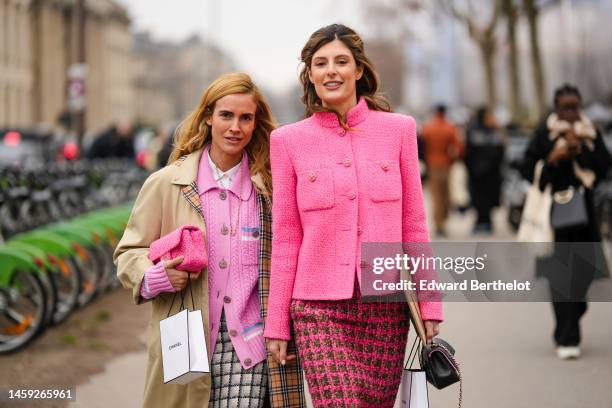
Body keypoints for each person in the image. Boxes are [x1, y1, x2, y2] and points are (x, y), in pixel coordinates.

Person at [263, 24, 443, 407]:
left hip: (385, 305)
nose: (331, 71)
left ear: (358, 70)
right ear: (309, 74)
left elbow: (414, 224)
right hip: (317, 308)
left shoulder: (399, 131)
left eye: (341, 61)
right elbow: (286, 238)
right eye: (320, 63)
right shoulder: (287, 142)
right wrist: (277, 322)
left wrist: (429, 303)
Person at [114, 73, 305, 407]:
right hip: (185, 344)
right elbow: (130, 252)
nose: (236, 127)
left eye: (246, 118)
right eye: (226, 115)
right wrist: (156, 276)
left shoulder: (271, 189)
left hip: (252, 348)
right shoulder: (166, 183)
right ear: (207, 118)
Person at [522, 84, 611, 360]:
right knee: (559, 276)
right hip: (555, 218)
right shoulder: (544, 135)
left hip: (585, 216)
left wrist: (580, 151)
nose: (571, 113)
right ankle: (566, 335)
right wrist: (553, 159)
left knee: (583, 275)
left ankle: (575, 316)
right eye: (566, 107)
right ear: (556, 107)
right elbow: (528, 170)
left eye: (575, 107)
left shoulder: (591, 132)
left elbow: (604, 167)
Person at [421, 104, 463, 236]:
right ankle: (443, 221)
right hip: (446, 165)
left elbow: (421, 146)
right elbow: (458, 148)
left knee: (436, 196)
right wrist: (452, 160)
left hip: (432, 165)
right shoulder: (450, 128)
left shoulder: (428, 128)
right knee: (446, 195)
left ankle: (438, 223)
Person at [464, 106, 505, 233]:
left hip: (487, 173)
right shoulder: (482, 131)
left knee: (486, 199)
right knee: (479, 199)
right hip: (480, 173)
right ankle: (481, 221)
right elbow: (467, 152)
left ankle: (485, 222)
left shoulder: (492, 131)